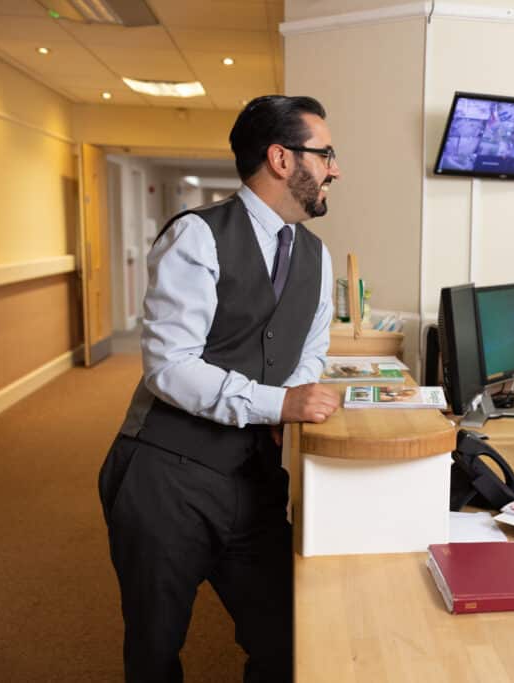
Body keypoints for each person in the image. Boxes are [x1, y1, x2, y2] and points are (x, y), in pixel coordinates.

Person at [97, 95, 342, 682]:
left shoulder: (315, 254)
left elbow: (311, 350)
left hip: (253, 478)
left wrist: (298, 394)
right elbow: (168, 366)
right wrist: (277, 403)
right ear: (282, 159)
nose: (335, 168)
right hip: (165, 475)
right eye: (326, 153)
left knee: (286, 640)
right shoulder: (197, 236)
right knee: (155, 652)